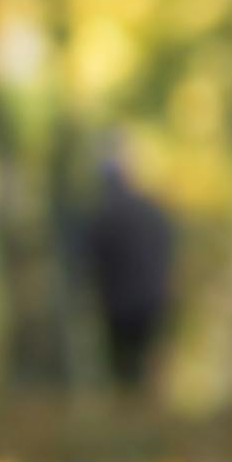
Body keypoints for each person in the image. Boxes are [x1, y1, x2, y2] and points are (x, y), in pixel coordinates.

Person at [74, 138, 177, 395]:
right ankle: (141, 410)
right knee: (142, 362)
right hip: (150, 299)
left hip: (119, 303)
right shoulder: (151, 211)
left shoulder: (101, 215)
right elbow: (168, 246)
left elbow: (86, 256)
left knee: (123, 365)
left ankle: (133, 410)